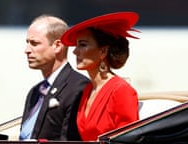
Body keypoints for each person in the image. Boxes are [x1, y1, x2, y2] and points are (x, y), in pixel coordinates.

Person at [61, 12, 140, 141]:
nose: (75, 51)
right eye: (76, 45)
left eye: (82, 44)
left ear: (103, 51)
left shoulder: (121, 91)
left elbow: (129, 139)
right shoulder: (87, 90)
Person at [20, 14, 89, 141]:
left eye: (34, 43)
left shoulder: (79, 87)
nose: (27, 50)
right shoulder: (35, 92)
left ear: (57, 46)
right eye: (27, 43)